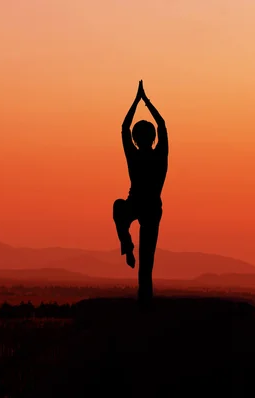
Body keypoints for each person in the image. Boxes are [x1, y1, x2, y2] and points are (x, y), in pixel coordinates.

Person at [113, 80, 168, 306]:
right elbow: (162, 124)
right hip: (152, 208)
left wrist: (137, 101)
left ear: (136, 139)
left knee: (118, 207)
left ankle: (126, 243)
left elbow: (124, 128)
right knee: (147, 262)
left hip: (138, 203)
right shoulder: (160, 155)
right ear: (153, 138)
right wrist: (147, 102)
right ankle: (145, 298)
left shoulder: (134, 156)